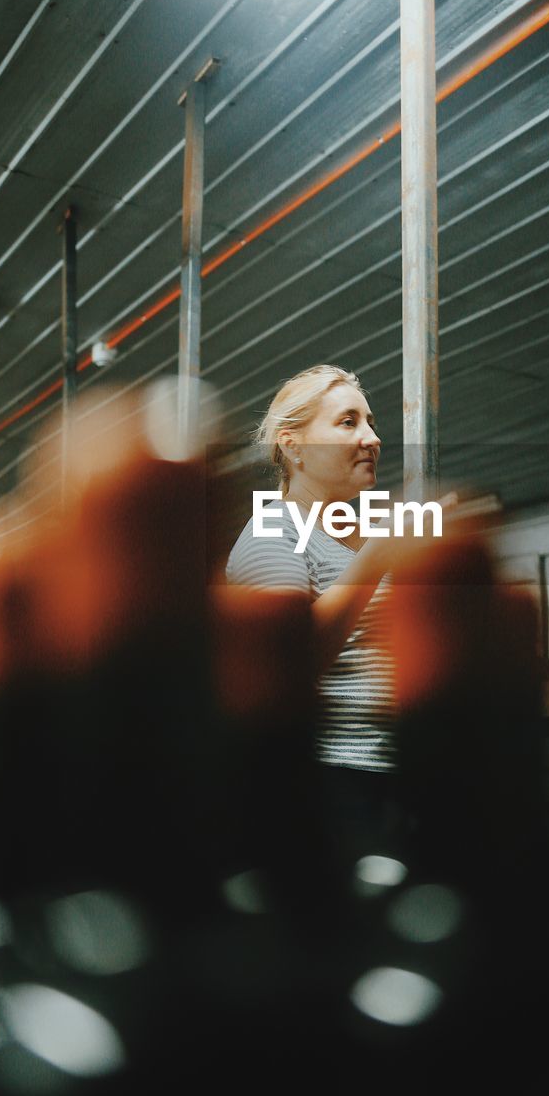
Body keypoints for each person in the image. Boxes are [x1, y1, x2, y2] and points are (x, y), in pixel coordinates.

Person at [226, 365, 418, 855]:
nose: (372, 438)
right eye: (348, 422)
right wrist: (379, 556)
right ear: (294, 446)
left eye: (371, 423)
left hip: (396, 779)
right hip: (333, 784)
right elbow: (290, 663)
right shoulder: (274, 532)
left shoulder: (354, 540)